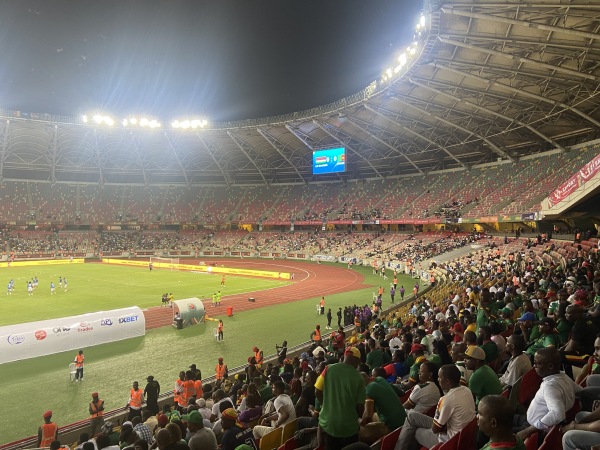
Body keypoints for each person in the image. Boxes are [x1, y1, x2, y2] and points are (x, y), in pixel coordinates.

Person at [394, 364, 476, 450]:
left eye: (440, 377)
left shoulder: (446, 399)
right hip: (460, 434)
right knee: (411, 415)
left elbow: (435, 429)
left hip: (448, 440)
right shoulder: (467, 390)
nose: (438, 379)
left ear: (448, 381)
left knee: (415, 431)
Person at [516, 348, 582, 441]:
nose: (534, 366)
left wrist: (528, 431)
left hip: (535, 430)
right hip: (533, 424)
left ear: (550, 366)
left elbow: (557, 414)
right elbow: (580, 392)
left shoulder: (550, 387)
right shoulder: (564, 377)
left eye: (537, 363)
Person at [315, 347, 366, 450]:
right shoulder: (359, 378)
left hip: (328, 423)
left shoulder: (328, 368)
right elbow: (361, 407)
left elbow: (317, 391)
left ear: (344, 357)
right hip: (349, 427)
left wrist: (325, 405)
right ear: (357, 361)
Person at [360, 367, 407, 444]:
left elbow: (368, 416)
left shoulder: (368, 390)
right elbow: (402, 393)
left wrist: (359, 425)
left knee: (360, 431)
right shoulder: (380, 379)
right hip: (404, 420)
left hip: (391, 426)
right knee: (374, 416)